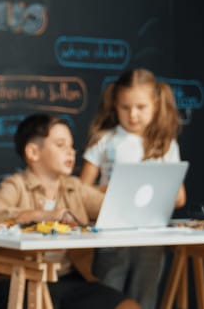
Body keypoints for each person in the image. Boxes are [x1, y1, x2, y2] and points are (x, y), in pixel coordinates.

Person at [0, 113, 140, 309]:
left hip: (70, 279)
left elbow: (113, 208)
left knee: (128, 306)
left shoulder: (74, 187)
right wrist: (39, 215)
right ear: (33, 152)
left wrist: (137, 198)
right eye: (60, 145)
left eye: (71, 146)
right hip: (22, 279)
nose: (70, 152)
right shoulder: (16, 185)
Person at [79, 68, 185, 309]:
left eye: (140, 107)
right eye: (125, 108)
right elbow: (80, 190)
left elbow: (179, 197)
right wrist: (109, 190)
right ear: (115, 105)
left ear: (156, 105)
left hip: (151, 235)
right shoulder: (104, 140)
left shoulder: (165, 144)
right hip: (111, 235)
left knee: (145, 296)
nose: (133, 115)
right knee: (109, 294)